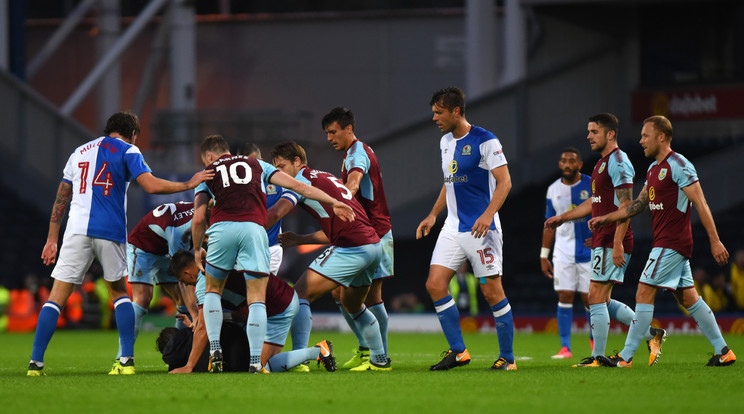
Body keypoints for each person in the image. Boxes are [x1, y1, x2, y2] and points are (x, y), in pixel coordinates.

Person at [27, 111, 213, 376]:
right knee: (119, 294)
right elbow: (149, 185)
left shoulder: (78, 152)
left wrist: (52, 238)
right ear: (134, 134)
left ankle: (35, 363)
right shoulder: (129, 151)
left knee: (56, 298)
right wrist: (188, 182)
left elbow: (62, 197)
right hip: (110, 231)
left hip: (75, 231)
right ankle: (125, 360)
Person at [192, 135, 352, 373]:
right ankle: (256, 361)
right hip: (254, 230)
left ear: (210, 155)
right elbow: (298, 186)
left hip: (221, 228)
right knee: (257, 297)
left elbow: (197, 219)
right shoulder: (258, 165)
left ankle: (215, 348)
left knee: (212, 290)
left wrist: (197, 249)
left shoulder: (209, 171)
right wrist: (333, 202)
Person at [588, 115, 736, 367]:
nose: (641, 140)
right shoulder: (653, 169)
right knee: (688, 298)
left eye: (645, 136)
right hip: (666, 242)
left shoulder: (679, 164)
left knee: (644, 290)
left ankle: (625, 357)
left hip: (673, 242)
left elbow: (700, 203)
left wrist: (715, 241)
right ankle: (724, 351)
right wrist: (607, 218)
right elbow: (636, 206)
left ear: (662, 137)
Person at [545, 113, 666, 368]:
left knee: (595, 297)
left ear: (610, 134)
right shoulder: (601, 164)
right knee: (602, 299)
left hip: (613, 238)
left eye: (594, 132)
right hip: (602, 238)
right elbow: (594, 202)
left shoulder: (618, 161)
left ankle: (598, 357)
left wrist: (619, 243)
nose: (588, 136)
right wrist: (563, 218)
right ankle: (651, 334)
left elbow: (627, 205)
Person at [415, 87, 516, 371]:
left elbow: (505, 182)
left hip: (482, 230)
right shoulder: (445, 142)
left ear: (456, 111)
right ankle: (459, 351)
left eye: (439, 112)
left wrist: (487, 215)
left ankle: (507, 359)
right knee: (434, 285)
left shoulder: (486, 140)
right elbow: (450, 182)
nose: (434, 117)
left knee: (492, 292)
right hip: (452, 227)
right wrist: (433, 214)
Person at [269, 141, 390, 371]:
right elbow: (336, 228)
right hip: (372, 246)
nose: (280, 174)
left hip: (352, 247)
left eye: (282, 167)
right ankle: (380, 360)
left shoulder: (300, 183)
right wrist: (300, 239)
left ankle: (299, 359)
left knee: (300, 293)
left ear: (297, 162)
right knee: (353, 304)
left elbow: (277, 212)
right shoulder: (325, 177)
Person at [166, 250, 336, 373]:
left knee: (261, 367)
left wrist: (189, 366)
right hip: (280, 296)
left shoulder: (203, 281)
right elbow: (224, 315)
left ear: (187, 272)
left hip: (278, 308)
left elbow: (204, 328)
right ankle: (306, 355)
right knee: (257, 361)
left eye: (184, 281)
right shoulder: (217, 257)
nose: (188, 285)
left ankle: (317, 351)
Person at [322, 107, 394, 369]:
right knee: (341, 294)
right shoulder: (354, 152)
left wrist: (343, 199)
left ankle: (379, 356)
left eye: (333, 131)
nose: (330, 138)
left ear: (348, 129)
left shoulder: (356, 153)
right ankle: (367, 350)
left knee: (371, 297)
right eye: (327, 133)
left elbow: (354, 180)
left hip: (374, 232)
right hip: (368, 232)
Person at [110, 201, 199, 373]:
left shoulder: (199, 213)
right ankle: (122, 359)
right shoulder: (179, 232)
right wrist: (195, 313)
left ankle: (181, 355)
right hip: (143, 248)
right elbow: (183, 277)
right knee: (143, 299)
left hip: (165, 249)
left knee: (181, 300)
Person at [541, 147, 593, 359]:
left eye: (572, 160)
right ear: (560, 164)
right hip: (562, 251)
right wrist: (544, 255)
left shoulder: (591, 184)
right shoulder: (552, 189)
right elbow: (548, 223)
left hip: (590, 250)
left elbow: (606, 211)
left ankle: (594, 343)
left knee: (591, 298)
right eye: (564, 160)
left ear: (579, 164)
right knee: (565, 295)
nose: (568, 164)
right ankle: (565, 348)